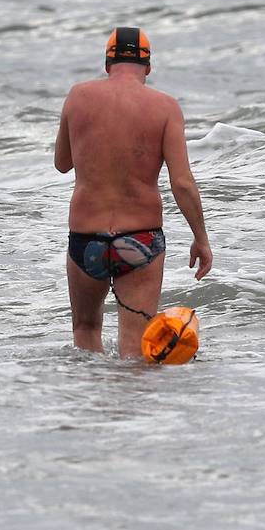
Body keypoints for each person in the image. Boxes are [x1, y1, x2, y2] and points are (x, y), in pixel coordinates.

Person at [53, 27, 212, 357]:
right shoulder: (165, 107)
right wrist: (201, 238)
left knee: (85, 332)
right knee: (135, 351)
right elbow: (181, 182)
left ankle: (81, 407)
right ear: (148, 67)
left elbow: (62, 163)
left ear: (108, 63)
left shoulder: (78, 96)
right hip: (140, 240)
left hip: (86, 239)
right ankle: (133, 408)